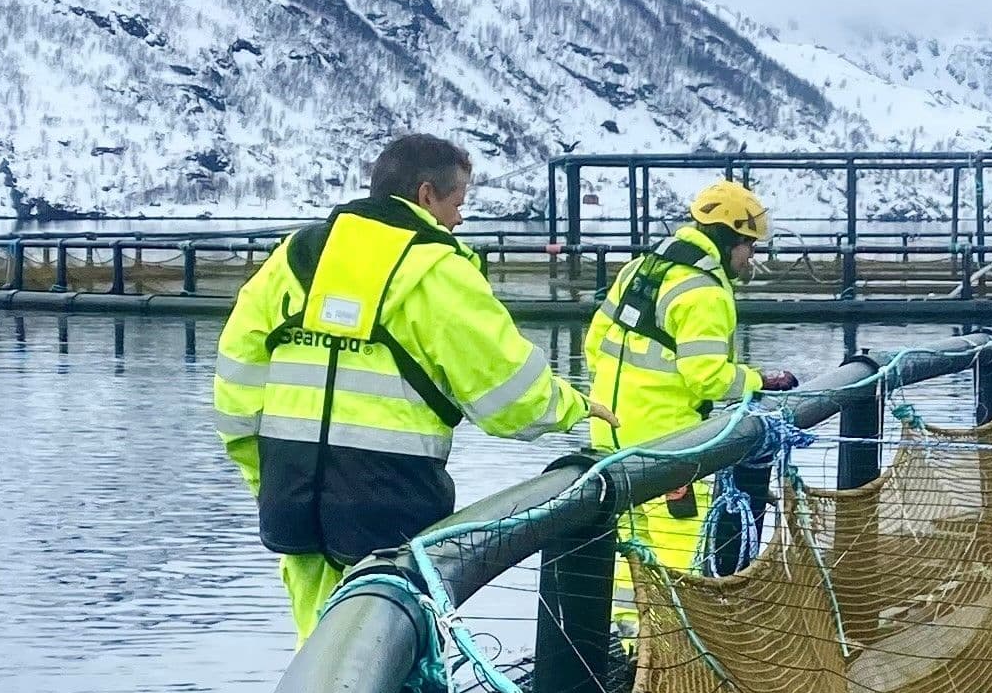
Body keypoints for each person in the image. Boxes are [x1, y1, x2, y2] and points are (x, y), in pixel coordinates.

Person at [215, 134, 610, 639]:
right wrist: (574, 406)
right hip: (390, 502)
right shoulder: (436, 269)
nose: (459, 220)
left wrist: (265, 477)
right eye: (458, 203)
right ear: (426, 196)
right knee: (398, 661)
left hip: (292, 495)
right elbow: (510, 395)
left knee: (322, 667)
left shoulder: (292, 259)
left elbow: (235, 388)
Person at [583, 177, 797, 577]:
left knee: (628, 552)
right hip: (671, 447)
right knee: (679, 559)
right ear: (729, 239)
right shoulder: (705, 293)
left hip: (609, 438)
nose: (750, 256)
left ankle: (629, 636)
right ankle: (671, 638)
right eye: (749, 245)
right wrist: (757, 380)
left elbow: (594, 347)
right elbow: (708, 379)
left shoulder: (639, 270)